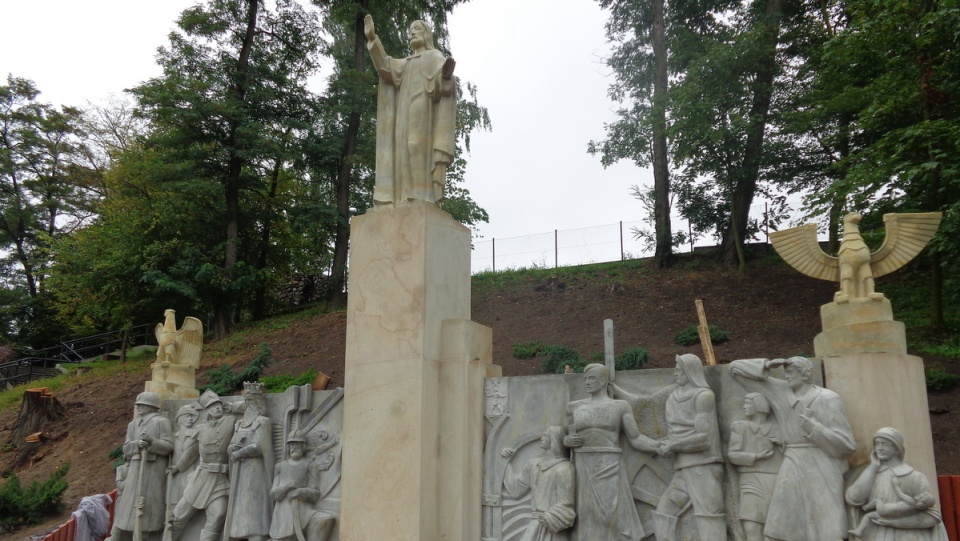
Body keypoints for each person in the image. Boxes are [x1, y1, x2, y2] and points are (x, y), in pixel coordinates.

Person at [730, 356, 857, 541]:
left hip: (823, 464)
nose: (786, 376)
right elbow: (735, 369)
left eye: (791, 373)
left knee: (827, 526)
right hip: (792, 460)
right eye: (785, 373)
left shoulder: (828, 398)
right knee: (780, 524)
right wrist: (765, 365)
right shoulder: (780, 391)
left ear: (805, 374)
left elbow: (847, 445)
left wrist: (815, 429)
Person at [363, 14, 456, 206]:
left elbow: (442, 86)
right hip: (402, 113)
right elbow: (385, 67)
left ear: (427, 35)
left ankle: (422, 194)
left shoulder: (434, 56)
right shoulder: (405, 62)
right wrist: (373, 39)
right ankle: (404, 195)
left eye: (417, 29)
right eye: (411, 30)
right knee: (402, 151)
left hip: (422, 110)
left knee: (415, 145)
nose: (412, 32)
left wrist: (446, 75)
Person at [564, 363, 658, 540]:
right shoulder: (574, 407)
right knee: (587, 513)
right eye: (585, 379)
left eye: (591, 378)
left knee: (611, 514)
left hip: (609, 462)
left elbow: (636, 438)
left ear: (602, 380)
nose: (587, 382)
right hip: (582, 463)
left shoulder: (620, 406)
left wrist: (659, 446)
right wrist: (567, 441)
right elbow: (563, 436)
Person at [652, 354, 726, 541]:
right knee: (665, 511)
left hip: (704, 465)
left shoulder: (703, 396)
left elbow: (704, 438)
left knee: (709, 515)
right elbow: (674, 435)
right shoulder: (673, 398)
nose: (675, 373)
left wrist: (674, 445)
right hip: (683, 467)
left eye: (679, 369)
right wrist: (662, 444)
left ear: (690, 371)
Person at [846, 427, 948, 541]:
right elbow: (854, 499)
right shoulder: (870, 474)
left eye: (885, 444)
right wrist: (873, 467)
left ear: (897, 448)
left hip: (909, 537)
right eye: (877, 444)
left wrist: (894, 522)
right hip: (875, 535)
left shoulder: (914, 477)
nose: (879, 448)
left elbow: (931, 518)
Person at [168, 390, 237, 541]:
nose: (217, 408)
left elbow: (252, 408)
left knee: (218, 514)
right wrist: (178, 467)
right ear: (207, 411)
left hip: (220, 480)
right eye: (212, 406)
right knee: (179, 514)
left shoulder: (231, 421)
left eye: (218, 404)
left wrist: (232, 407)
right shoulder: (201, 429)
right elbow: (192, 452)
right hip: (201, 478)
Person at [109, 392, 174, 541]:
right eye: (138, 405)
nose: (138, 408)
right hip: (135, 467)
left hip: (153, 469)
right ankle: (122, 534)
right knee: (128, 504)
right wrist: (137, 445)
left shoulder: (161, 422)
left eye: (141, 405)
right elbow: (125, 449)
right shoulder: (133, 425)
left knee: (150, 505)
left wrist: (152, 442)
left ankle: (148, 535)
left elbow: (169, 446)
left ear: (150, 406)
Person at [500, 426, 576, 541]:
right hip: (534, 528)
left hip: (554, 530)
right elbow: (515, 490)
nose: (541, 438)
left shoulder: (564, 469)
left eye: (545, 435)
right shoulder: (533, 465)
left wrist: (548, 517)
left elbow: (566, 507)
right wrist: (507, 461)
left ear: (554, 440)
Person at [726, 393, 782, 541]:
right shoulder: (740, 426)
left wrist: (781, 443)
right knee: (752, 525)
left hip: (775, 479)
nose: (744, 406)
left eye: (748, 403)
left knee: (775, 527)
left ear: (759, 405)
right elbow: (733, 455)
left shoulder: (777, 427)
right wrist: (756, 457)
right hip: (750, 479)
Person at [224, 382, 275, 541]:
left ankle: (257, 534)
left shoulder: (263, 421)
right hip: (240, 473)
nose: (248, 405)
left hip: (256, 472)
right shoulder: (239, 424)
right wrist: (233, 448)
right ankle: (240, 534)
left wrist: (240, 452)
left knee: (254, 504)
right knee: (241, 506)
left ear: (258, 402)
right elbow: (230, 447)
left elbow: (261, 447)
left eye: (251, 401)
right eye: (246, 401)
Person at [269, 431, 338, 541]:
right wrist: (287, 486)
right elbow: (273, 494)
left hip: (305, 512)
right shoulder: (280, 466)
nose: (294, 447)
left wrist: (301, 492)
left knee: (324, 519)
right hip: (283, 515)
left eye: (297, 444)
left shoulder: (311, 465)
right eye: (292, 445)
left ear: (304, 446)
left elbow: (315, 493)